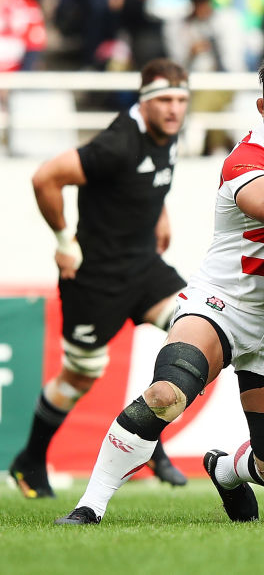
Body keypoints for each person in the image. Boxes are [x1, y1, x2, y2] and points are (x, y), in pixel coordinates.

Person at [53, 49, 264, 525]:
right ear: (260, 108)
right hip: (223, 305)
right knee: (168, 392)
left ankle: (225, 469)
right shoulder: (247, 157)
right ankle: (90, 504)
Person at [11, 59, 191, 503]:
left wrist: (160, 213)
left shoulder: (165, 132)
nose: (174, 110)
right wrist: (61, 239)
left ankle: (148, 439)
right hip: (95, 278)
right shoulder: (115, 144)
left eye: (181, 100)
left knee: (195, 325)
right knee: (81, 375)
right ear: (143, 102)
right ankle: (29, 459)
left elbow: (147, 178)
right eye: (164, 100)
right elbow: (45, 177)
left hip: (143, 266)